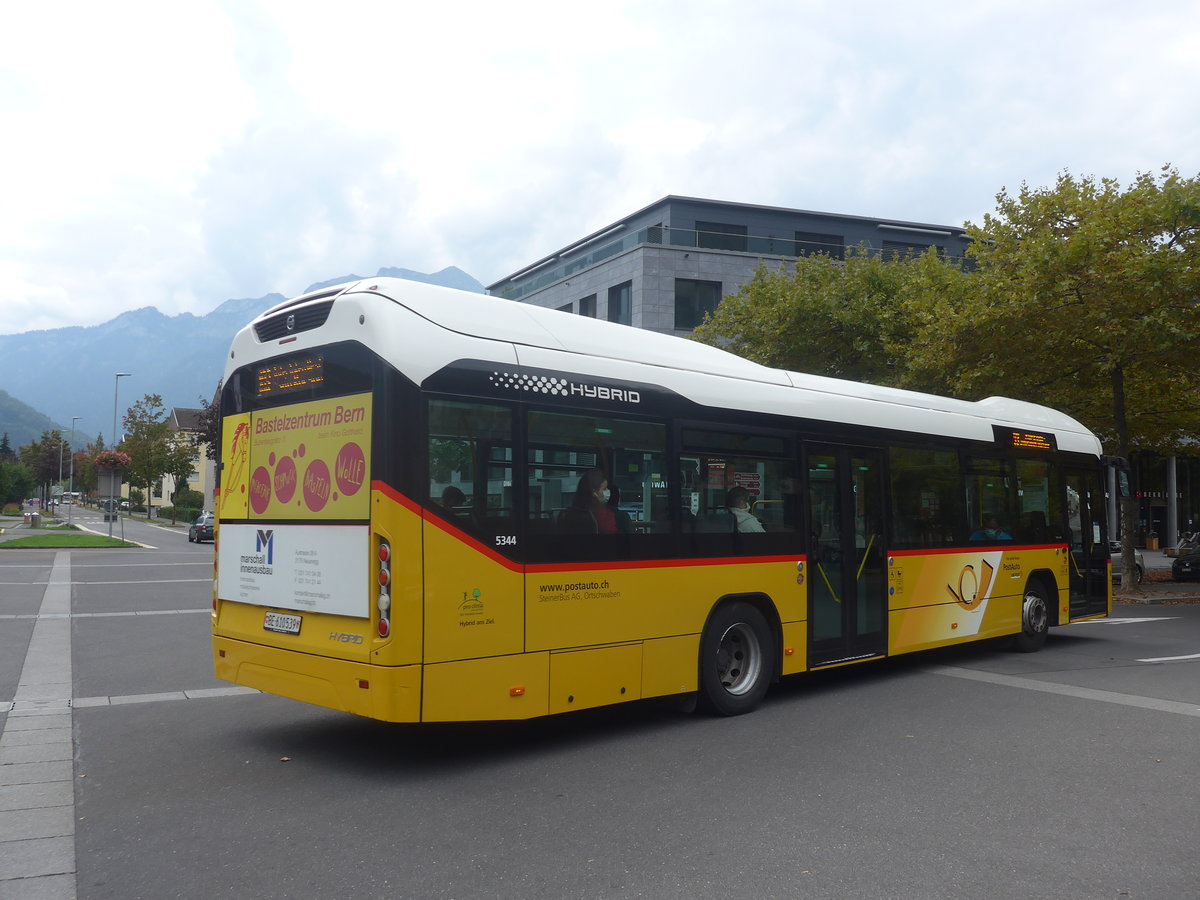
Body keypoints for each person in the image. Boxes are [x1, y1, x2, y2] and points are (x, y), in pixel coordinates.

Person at [558, 469, 618, 534]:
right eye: (604, 489)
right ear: (594, 492)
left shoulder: (569, 512)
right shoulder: (603, 515)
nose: (608, 491)